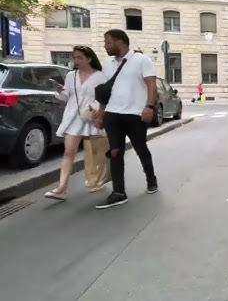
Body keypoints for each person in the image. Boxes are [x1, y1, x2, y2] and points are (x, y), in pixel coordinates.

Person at [93, 29, 158, 209]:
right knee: (115, 152)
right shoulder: (108, 63)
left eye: (108, 42)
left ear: (119, 42)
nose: (105, 46)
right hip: (112, 115)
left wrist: (149, 106)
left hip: (135, 114)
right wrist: (100, 112)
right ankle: (119, 192)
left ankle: (151, 179)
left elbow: (151, 84)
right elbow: (105, 90)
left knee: (140, 148)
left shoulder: (141, 60)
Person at [44, 46, 109, 201]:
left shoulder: (100, 76)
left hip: (91, 118)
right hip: (73, 118)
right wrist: (59, 90)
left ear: (89, 59)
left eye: (79, 57)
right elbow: (66, 97)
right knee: (68, 152)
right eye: (74, 57)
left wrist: (98, 112)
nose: (76, 61)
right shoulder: (71, 75)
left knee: (95, 153)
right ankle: (62, 188)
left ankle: (97, 180)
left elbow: (105, 98)